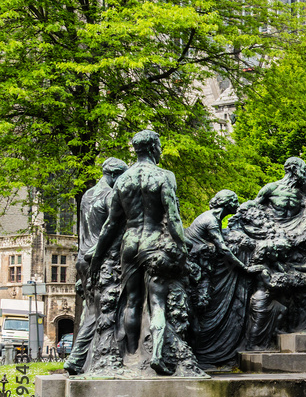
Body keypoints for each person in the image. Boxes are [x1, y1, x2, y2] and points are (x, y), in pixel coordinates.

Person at [87, 130, 201, 376]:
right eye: (159, 145)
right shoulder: (164, 176)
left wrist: (97, 257)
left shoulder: (122, 180)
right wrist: (182, 249)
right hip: (154, 243)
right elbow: (173, 217)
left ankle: (131, 355)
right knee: (157, 302)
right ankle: (157, 355)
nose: (161, 150)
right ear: (152, 147)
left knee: (133, 302)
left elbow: (111, 224)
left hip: (129, 244)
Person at [63, 157, 127, 375]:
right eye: (121, 177)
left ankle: (83, 357)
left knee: (93, 309)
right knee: (98, 311)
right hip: (99, 259)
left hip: (82, 259)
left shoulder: (87, 195)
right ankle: (78, 357)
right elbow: (113, 229)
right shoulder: (110, 196)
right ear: (113, 175)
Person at [186, 190, 254, 367]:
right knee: (199, 308)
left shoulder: (213, 218)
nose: (237, 205)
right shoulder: (210, 220)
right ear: (227, 203)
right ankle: (194, 357)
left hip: (201, 266)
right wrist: (244, 267)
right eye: (235, 201)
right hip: (196, 270)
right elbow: (223, 248)